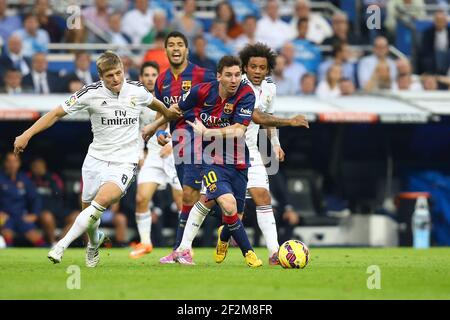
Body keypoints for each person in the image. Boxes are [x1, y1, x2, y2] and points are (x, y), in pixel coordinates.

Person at [13, 51, 181, 267]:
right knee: (89, 213)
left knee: (99, 203)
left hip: (125, 161)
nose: (116, 79)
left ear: (123, 70)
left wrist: (160, 121)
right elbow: (55, 114)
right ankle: (93, 245)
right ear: (101, 77)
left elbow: (160, 109)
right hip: (96, 159)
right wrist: (27, 134)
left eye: (119, 73)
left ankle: (60, 245)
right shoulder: (90, 93)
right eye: (110, 75)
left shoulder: (137, 91)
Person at [171, 44, 309, 265]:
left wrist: (275, 144)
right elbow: (257, 117)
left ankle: (274, 252)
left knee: (262, 197)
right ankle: (185, 248)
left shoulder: (270, 88)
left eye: (261, 67)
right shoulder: (239, 86)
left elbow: (268, 116)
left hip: (249, 151)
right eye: (252, 66)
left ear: (268, 70)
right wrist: (290, 121)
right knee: (209, 201)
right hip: (220, 151)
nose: (257, 71)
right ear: (245, 67)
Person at [147, 55, 263, 267]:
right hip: (210, 159)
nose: (234, 79)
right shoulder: (201, 91)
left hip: (237, 160)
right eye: (229, 75)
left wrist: (208, 131)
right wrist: (156, 127)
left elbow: (238, 130)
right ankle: (248, 255)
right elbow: (175, 110)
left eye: (238, 75)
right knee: (221, 203)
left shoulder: (247, 94)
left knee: (234, 212)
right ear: (219, 76)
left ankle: (222, 239)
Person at [145, 31, 216, 264]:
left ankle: (184, 249)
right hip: (177, 142)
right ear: (165, 50)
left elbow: (219, 102)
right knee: (189, 197)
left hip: (198, 141)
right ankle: (180, 249)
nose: (176, 49)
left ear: (187, 49)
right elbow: (161, 112)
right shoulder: (162, 79)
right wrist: (160, 131)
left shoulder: (203, 74)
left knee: (188, 194)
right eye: (171, 45)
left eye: (180, 45)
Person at [129, 61, 183, 259]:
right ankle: (145, 242)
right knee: (141, 198)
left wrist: (174, 144)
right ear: (141, 78)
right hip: (152, 156)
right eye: (147, 75)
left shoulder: (170, 97)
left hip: (174, 155)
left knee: (182, 203)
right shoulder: (137, 102)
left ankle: (184, 247)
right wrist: (139, 153)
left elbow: (185, 124)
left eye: (154, 74)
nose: (150, 78)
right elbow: (135, 130)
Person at [0, 152, 45, 247]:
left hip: (21, 217)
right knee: (7, 234)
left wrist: (34, 214)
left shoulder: (24, 179)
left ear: (19, 163)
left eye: (15, 161)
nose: (12, 164)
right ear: (5, 163)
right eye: (9, 161)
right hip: (5, 217)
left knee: (36, 237)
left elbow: (35, 198)